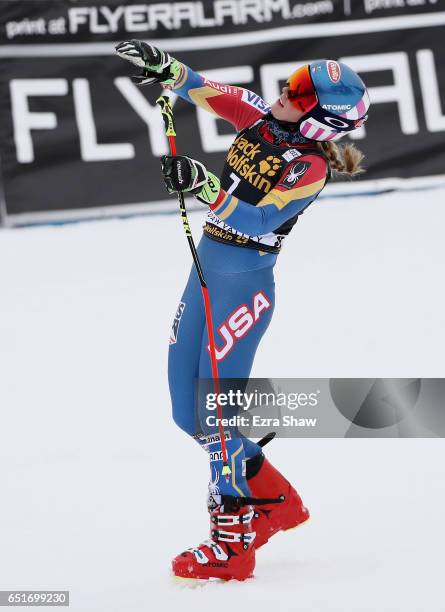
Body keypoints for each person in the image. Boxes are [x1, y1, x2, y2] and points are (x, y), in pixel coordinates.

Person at [116, 41, 370, 582]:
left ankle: (234, 543)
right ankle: (275, 499)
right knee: (188, 413)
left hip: (243, 287)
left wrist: (203, 183)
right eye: (294, 81)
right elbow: (205, 90)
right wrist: (168, 68)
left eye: (300, 93)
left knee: (216, 417)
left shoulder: (309, 167)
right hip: (206, 274)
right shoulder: (261, 116)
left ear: (321, 122)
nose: (286, 92)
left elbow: (254, 222)